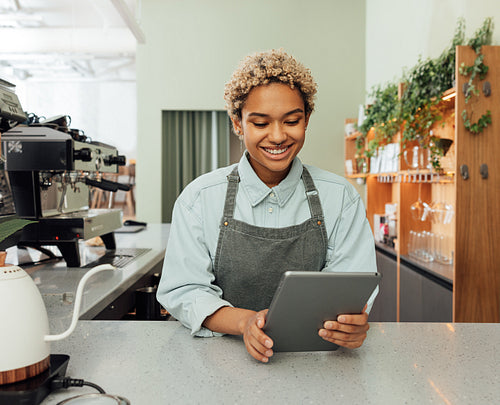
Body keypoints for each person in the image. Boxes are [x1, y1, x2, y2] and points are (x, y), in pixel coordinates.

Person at [157, 49, 377, 363]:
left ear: (306, 120)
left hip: (315, 362)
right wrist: (245, 323)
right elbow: (184, 289)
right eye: (260, 123)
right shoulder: (200, 198)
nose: (277, 136)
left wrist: (349, 327)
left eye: (291, 121)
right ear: (237, 123)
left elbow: (353, 286)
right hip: (219, 361)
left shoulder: (340, 198)